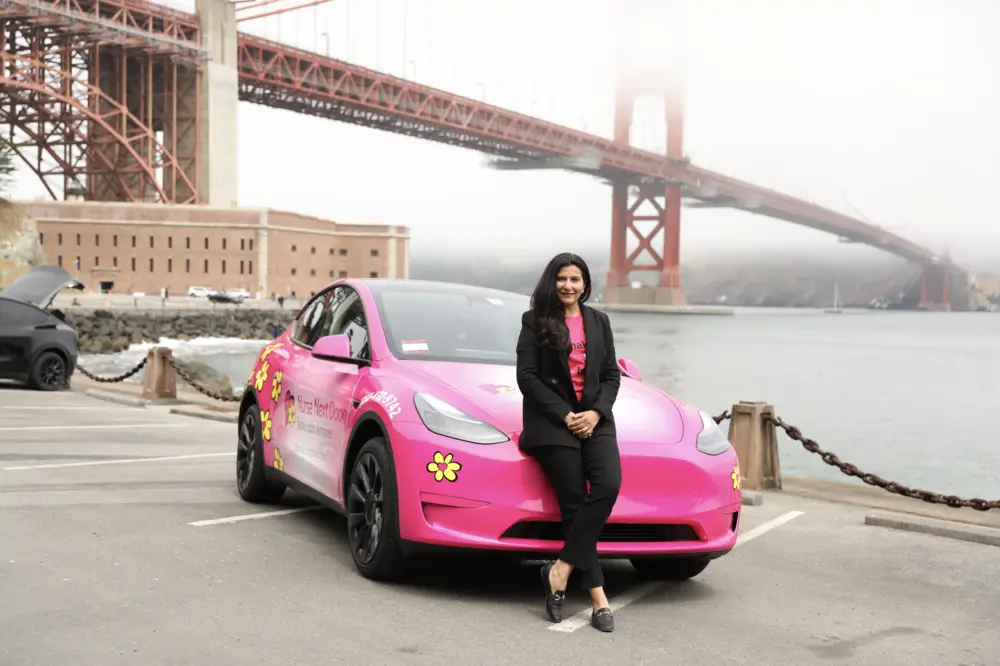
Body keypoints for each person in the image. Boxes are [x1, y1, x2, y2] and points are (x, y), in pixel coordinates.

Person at [515, 252, 622, 633]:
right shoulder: (535, 321)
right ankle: (599, 599)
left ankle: (559, 571)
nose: (569, 286)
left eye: (576, 279)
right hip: (552, 422)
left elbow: (611, 376)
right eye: (562, 278)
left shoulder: (599, 321)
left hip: (594, 418)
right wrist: (566, 415)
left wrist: (595, 413)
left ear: (585, 284)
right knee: (575, 502)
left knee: (608, 485)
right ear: (552, 281)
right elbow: (527, 377)